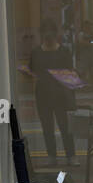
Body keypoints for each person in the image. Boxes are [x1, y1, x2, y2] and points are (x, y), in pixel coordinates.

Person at [29, 20, 76, 165]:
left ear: (55, 35)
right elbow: (32, 70)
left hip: (60, 93)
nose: (48, 37)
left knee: (65, 126)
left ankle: (70, 155)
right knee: (47, 127)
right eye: (46, 34)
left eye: (50, 34)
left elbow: (70, 71)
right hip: (43, 94)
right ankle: (53, 156)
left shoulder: (63, 51)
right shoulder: (37, 52)